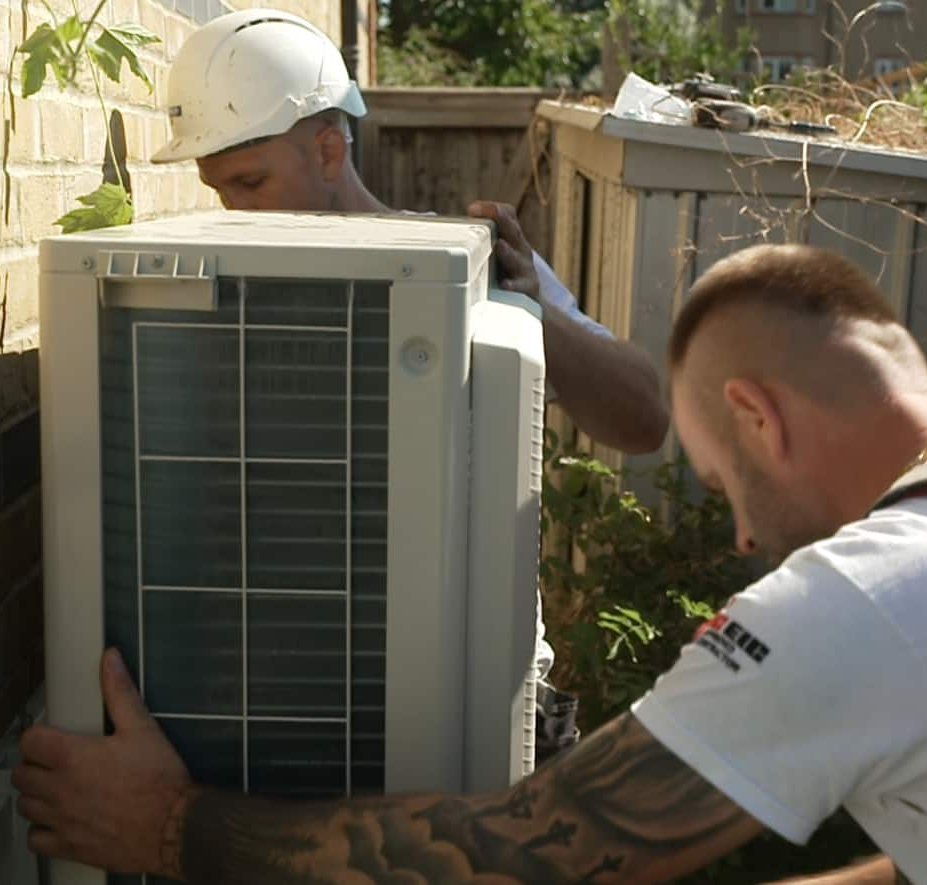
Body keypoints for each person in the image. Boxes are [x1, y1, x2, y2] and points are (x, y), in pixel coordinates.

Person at [14, 243, 927, 883]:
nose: (743, 542)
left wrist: (165, 826)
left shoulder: (870, 594)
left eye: (722, 489)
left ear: (755, 416)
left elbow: (514, 857)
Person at [152, 9, 668, 752]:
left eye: (251, 182)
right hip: (296, 691)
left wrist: (520, 313)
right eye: (219, 190)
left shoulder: (467, 265)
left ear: (328, 151)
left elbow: (643, 418)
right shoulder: (225, 297)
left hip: (475, 695)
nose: (234, 210)